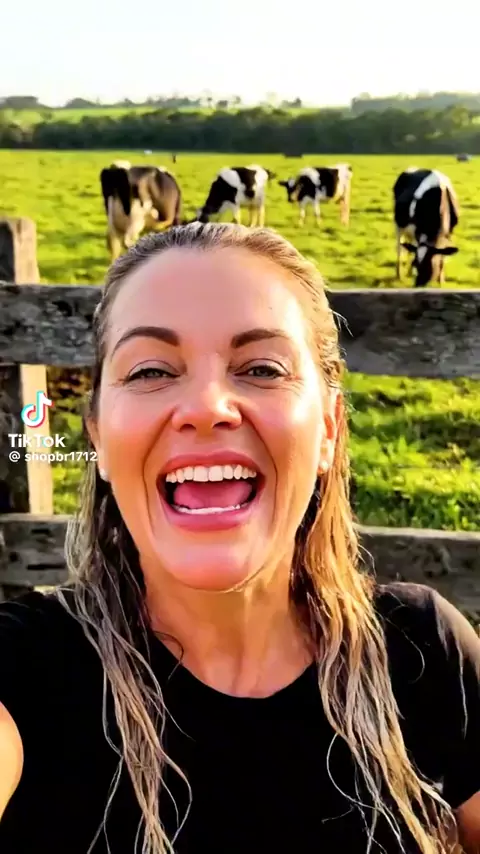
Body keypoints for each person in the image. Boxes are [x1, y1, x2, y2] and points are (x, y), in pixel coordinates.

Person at [0, 222, 479, 854]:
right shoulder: (23, 669)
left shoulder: (422, 652)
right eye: (149, 370)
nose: (207, 406)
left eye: (261, 367)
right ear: (99, 437)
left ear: (329, 429)